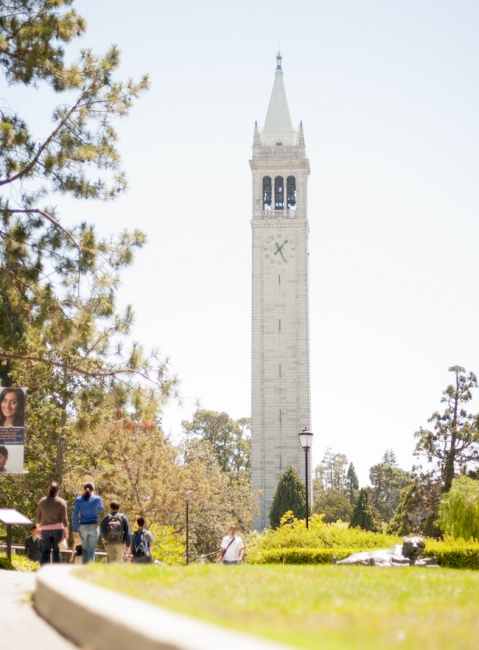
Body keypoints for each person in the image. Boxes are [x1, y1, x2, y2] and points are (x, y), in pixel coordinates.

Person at [36, 481, 69, 565]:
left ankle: (43, 570)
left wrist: (37, 529)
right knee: (56, 551)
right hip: (58, 530)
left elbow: (39, 517)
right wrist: (67, 532)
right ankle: (56, 571)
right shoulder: (62, 502)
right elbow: (64, 519)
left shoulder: (42, 501)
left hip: (45, 530)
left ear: (49, 490)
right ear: (58, 491)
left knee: (45, 551)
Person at [72, 481, 104, 564]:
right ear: (93, 489)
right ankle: (90, 569)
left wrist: (75, 529)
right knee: (91, 550)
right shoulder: (97, 498)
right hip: (93, 525)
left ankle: (84, 568)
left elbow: (75, 515)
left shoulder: (78, 499)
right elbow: (101, 509)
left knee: (85, 549)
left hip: (82, 527)